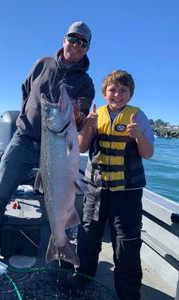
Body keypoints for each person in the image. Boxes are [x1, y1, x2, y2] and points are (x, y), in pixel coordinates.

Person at [0, 21, 95, 279]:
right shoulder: (42, 63)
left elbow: (79, 118)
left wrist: (77, 115)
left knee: (60, 195)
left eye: (82, 42)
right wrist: (30, 115)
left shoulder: (86, 83)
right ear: (63, 39)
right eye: (73, 38)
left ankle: (62, 248)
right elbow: (26, 91)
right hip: (24, 139)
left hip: (59, 147)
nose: (76, 45)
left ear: (87, 49)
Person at [69, 70, 154, 300]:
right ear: (105, 92)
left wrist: (139, 135)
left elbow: (147, 153)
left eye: (123, 90)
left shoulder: (139, 116)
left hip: (127, 193)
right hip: (95, 189)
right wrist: (87, 125)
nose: (117, 94)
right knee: (87, 235)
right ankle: (83, 276)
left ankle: (128, 292)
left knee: (126, 243)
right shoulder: (96, 115)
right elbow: (83, 147)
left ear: (130, 94)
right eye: (113, 90)